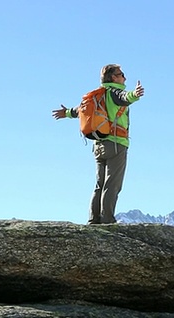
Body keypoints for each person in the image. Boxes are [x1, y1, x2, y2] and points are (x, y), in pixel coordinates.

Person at [52, 64, 144, 224]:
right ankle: (107, 219)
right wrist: (135, 94)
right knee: (112, 184)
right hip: (116, 143)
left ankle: (93, 219)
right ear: (113, 78)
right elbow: (125, 98)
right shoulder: (115, 92)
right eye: (121, 74)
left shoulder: (97, 95)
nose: (124, 78)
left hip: (98, 145)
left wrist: (66, 112)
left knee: (99, 184)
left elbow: (79, 110)